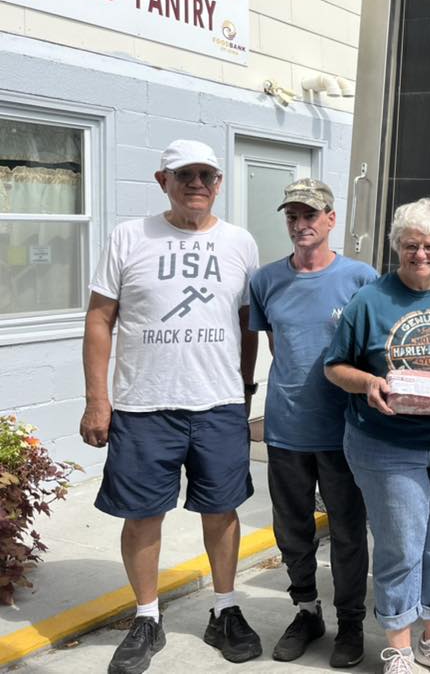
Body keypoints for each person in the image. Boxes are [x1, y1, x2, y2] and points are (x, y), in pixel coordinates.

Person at [80, 139, 262, 674]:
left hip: (219, 402)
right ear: (164, 181)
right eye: (185, 175)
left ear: (219, 184)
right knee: (142, 516)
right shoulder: (129, 237)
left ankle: (225, 610)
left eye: (207, 175)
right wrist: (98, 400)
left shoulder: (240, 243)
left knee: (223, 510)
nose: (197, 184)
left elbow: (246, 324)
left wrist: (246, 389)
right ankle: (146, 617)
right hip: (142, 405)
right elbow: (98, 320)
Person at [324, 198, 430, 674]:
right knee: (401, 544)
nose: (420, 255)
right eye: (410, 246)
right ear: (396, 247)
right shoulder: (370, 300)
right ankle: (399, 647)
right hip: (385, 442)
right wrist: (369, 383)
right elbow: (335, 366)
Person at [248, 178, 378, 667]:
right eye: (293, 217)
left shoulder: (361, 279)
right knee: (292, 529)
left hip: (345, 430)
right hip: (286, 430)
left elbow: (374, 352)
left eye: (310, 215)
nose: (301, 225)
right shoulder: (265, 281)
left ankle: (350, 624)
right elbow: (277, 348)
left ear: (331, 219)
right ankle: (306, 611)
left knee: (347, 531)